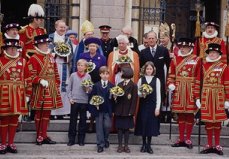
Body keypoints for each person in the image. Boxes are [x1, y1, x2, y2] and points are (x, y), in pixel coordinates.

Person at [26, 34, 62, 145]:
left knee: (47, 113)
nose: (47, 45)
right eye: (44, 44)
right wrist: (40, 80)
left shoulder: (51, 56)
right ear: (38, 45)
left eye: (47, 43)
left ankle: (45, 135)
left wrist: (56, 83)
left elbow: (55, 71)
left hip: (51, 87)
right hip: (40, 88)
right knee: (39, 113)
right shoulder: (33, 58)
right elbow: (30, 75)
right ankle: (39, 135)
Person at [194, 43, 229, 156]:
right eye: (211, 53)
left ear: (219, 53)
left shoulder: (224, 67)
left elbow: (227, 84)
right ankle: (209, 144)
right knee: (208, 122)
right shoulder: (202, 66)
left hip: (219, 97)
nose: (213, 54)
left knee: (217, 122)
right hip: (206, 96)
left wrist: (227, 99)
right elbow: (198, 83)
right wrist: (197, 97)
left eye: (215, 53)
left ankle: (217, 144)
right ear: (208, 54)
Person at [167, 38, 201, 149]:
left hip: (191, 90)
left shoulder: (197, 60)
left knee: (190, 115)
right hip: (179, 89)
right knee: (180, 115)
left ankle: (188, 138)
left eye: (185, 47)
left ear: (190, 48)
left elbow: (198, 78)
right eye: (181, 47)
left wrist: (197, 95)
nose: (182, 49)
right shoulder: (175, 60)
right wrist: (170, 84)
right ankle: (181, 138)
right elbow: (171, 75)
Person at [0, 39, 29, 154]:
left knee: (14, 119)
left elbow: (28, 78)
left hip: (18, 94)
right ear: (5, 49)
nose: (13, 50)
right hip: (3, 94)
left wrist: (28, 94)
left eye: (15, 48)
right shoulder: (1, 61)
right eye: (10, 48)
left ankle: (11, 143)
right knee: (4, 119)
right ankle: (2, 143)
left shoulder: (23, 61)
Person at [140, 31, 171, 123]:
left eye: (153, 38)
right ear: (146, 40)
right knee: (148, 98)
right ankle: (148, 117)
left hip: (160, 79)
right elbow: (141, 67)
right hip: (147, 80)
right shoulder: (143, 52)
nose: (151, 40)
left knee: (159, 97)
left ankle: (159, 117)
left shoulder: (163, 50)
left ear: (156, 39)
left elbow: (169, 66)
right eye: (149, 38)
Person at [135, 61, 161, 154]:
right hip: (143, 105)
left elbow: (158, 95)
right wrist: (142, 94)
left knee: (150, 125)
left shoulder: (156, 80)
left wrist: (157, 108)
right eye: (147, 69)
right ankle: (143, 144)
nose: (149, 70)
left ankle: (149, 145)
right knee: (143, 124)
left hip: (152, 105)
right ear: (144, 69)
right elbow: (138, 93)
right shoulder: (141, 80)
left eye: (150, 69)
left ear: (153, 70)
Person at [88, 66, 114, 153]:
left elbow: (114, 101)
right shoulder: (96, 85)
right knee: (99, 128)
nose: (105, 76)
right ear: (100, 75)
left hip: (107, 110)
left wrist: (115, 98)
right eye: (103, 74)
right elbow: (91, 98)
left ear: (109, 75)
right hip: (98, 110)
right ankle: (100, 144)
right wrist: (94, 107)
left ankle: (106, 139)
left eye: (107, 74)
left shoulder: (112, 86)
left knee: (107, 126)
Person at [49, 20, 71, 120]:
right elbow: (47, 50)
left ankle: (62, 112)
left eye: (64, 27)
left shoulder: (67, 39)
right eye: (60, 27)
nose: (62, 29)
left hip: (64, 65)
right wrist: (54, 53)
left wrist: (66, 55)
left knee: (64, 86)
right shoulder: (50, 38)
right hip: (53, 64)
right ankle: (53, 112)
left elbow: (71, 53)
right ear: (56, 27)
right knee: (54, 86)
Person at [67, 59, 91, 146]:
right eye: (78, 65)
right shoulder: (73, 75)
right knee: (73, 121)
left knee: (83, 121)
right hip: (74, 101)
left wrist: (87, 88)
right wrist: (70, 98)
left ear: (85, 67)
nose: (80, 67)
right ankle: (71, 139)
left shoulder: (88, 76)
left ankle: (81, 139)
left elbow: (90, 89)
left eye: (82, 65)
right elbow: (69, 88)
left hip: (84, 101)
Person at [114, 67, 138, 153]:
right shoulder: (119, 84)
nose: (120, 73)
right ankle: (120, 145)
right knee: (119, 129)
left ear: (126, 73)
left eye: (122, 72)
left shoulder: (133, 85)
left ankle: (126, 146)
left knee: (126, 129)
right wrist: (115, 97)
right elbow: (116, 98)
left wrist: (131, 112)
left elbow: (134, 100)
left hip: (128, 111)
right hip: (119, 110)